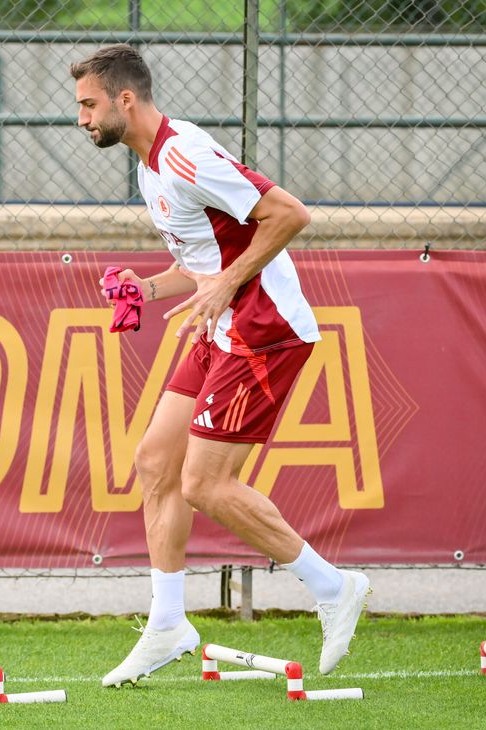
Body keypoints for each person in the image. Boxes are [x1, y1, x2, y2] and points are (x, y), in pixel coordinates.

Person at [70, 44, 371, 688]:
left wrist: (225, 284)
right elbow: (202, 265)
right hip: (222, 325)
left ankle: (333, 586)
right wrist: (147, 289)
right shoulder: (151, 169)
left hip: (264, 330)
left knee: (204, 484)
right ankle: (170, 624)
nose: (82, 119)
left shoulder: (183, 155)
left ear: (125, 100)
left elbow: (288, 214)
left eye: (88, 105)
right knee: (155, 461)